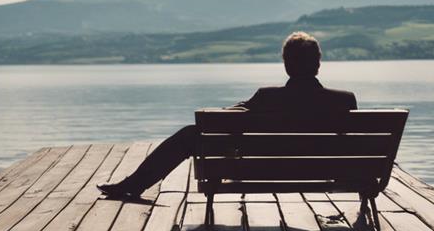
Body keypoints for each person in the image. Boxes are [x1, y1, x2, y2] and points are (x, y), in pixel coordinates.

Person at [97, 31, 357, 198]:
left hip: (261, 170)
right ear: (318, 63)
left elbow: (220, 120)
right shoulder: (345, 101)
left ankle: (134, 184)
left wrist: (234, 111)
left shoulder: (266, 97)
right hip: (325, 171)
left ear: (287, 64)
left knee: (191, 134)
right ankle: (133, 184)